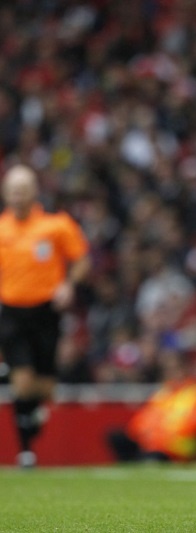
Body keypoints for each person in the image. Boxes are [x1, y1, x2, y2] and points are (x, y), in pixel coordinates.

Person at [0, 164, 91, 467]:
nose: (18, 196)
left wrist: (68, 284)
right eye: (13, 191)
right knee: (23, 384)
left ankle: (17, 392)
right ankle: (26, 451)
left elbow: (81, 259)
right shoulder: (1, 228)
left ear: (34, 192)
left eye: (23, 190)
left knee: (47, 388)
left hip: (46, 312)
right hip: (12, 311)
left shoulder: (56, 226)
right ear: (6, 194)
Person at [107, 347, 196, 463]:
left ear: (185, 369)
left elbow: (194, 426)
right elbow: (142, 420)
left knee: (152, 455)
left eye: (175, 368)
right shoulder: (164, 392)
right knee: (116, 436)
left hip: (175, 448)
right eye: (168, 369)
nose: (172, 373)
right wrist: (144, 435)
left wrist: (158, 436)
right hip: (152, 443)